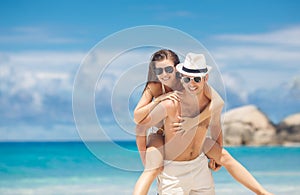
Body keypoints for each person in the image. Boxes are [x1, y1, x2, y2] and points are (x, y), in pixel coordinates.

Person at [133, 50, 273, 195]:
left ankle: (263, 193)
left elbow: (217, 106)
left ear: (177, 69)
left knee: (224, 156)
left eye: (168, 69)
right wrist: (159, 100)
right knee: (152, 169)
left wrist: (193, 122)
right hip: (162, 135)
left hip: (193, 148)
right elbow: (138, 120)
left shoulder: (193, 84)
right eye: (159, 70)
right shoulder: (156, 88)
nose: (164, 74)